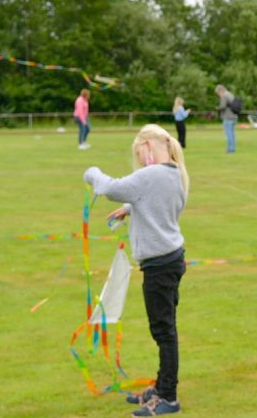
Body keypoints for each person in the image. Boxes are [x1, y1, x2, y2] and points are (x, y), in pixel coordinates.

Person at [84, 124, 190, 417]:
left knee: (163, 331)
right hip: (171, 260)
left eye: (140, 154)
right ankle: (161, 386)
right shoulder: (174, 173)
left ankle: (168, 396)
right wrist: (131, 209)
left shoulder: (152, 174)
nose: (140, 160)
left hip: (159, 266)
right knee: (164, 328)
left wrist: (91, 172)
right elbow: (161, 203)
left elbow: (109, 188)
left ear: (148, 146)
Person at [215, 85, 237, 153]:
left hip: (228, 117)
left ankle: (230, 149)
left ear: (220, 90)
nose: (218, 95)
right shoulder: (230, 94)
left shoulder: (224, 95)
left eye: (218, 93)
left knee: (228, 133)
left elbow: (223, 106)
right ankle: (232, 148)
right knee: (232, 133)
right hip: (234, 116)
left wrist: (217, 108)